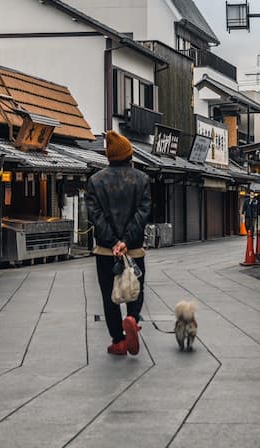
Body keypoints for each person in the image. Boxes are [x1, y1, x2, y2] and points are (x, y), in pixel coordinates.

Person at [86, 130, 152, 356]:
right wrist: (125, 242)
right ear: (128, 155)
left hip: (106, 251)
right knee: (137, 287)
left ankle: (118, 341)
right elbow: (142, 214)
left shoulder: (95, 181)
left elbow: (95, 216)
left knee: (109, 295)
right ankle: (133, 318)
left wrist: (114, 242)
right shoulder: (142, 179)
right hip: (134, 250)